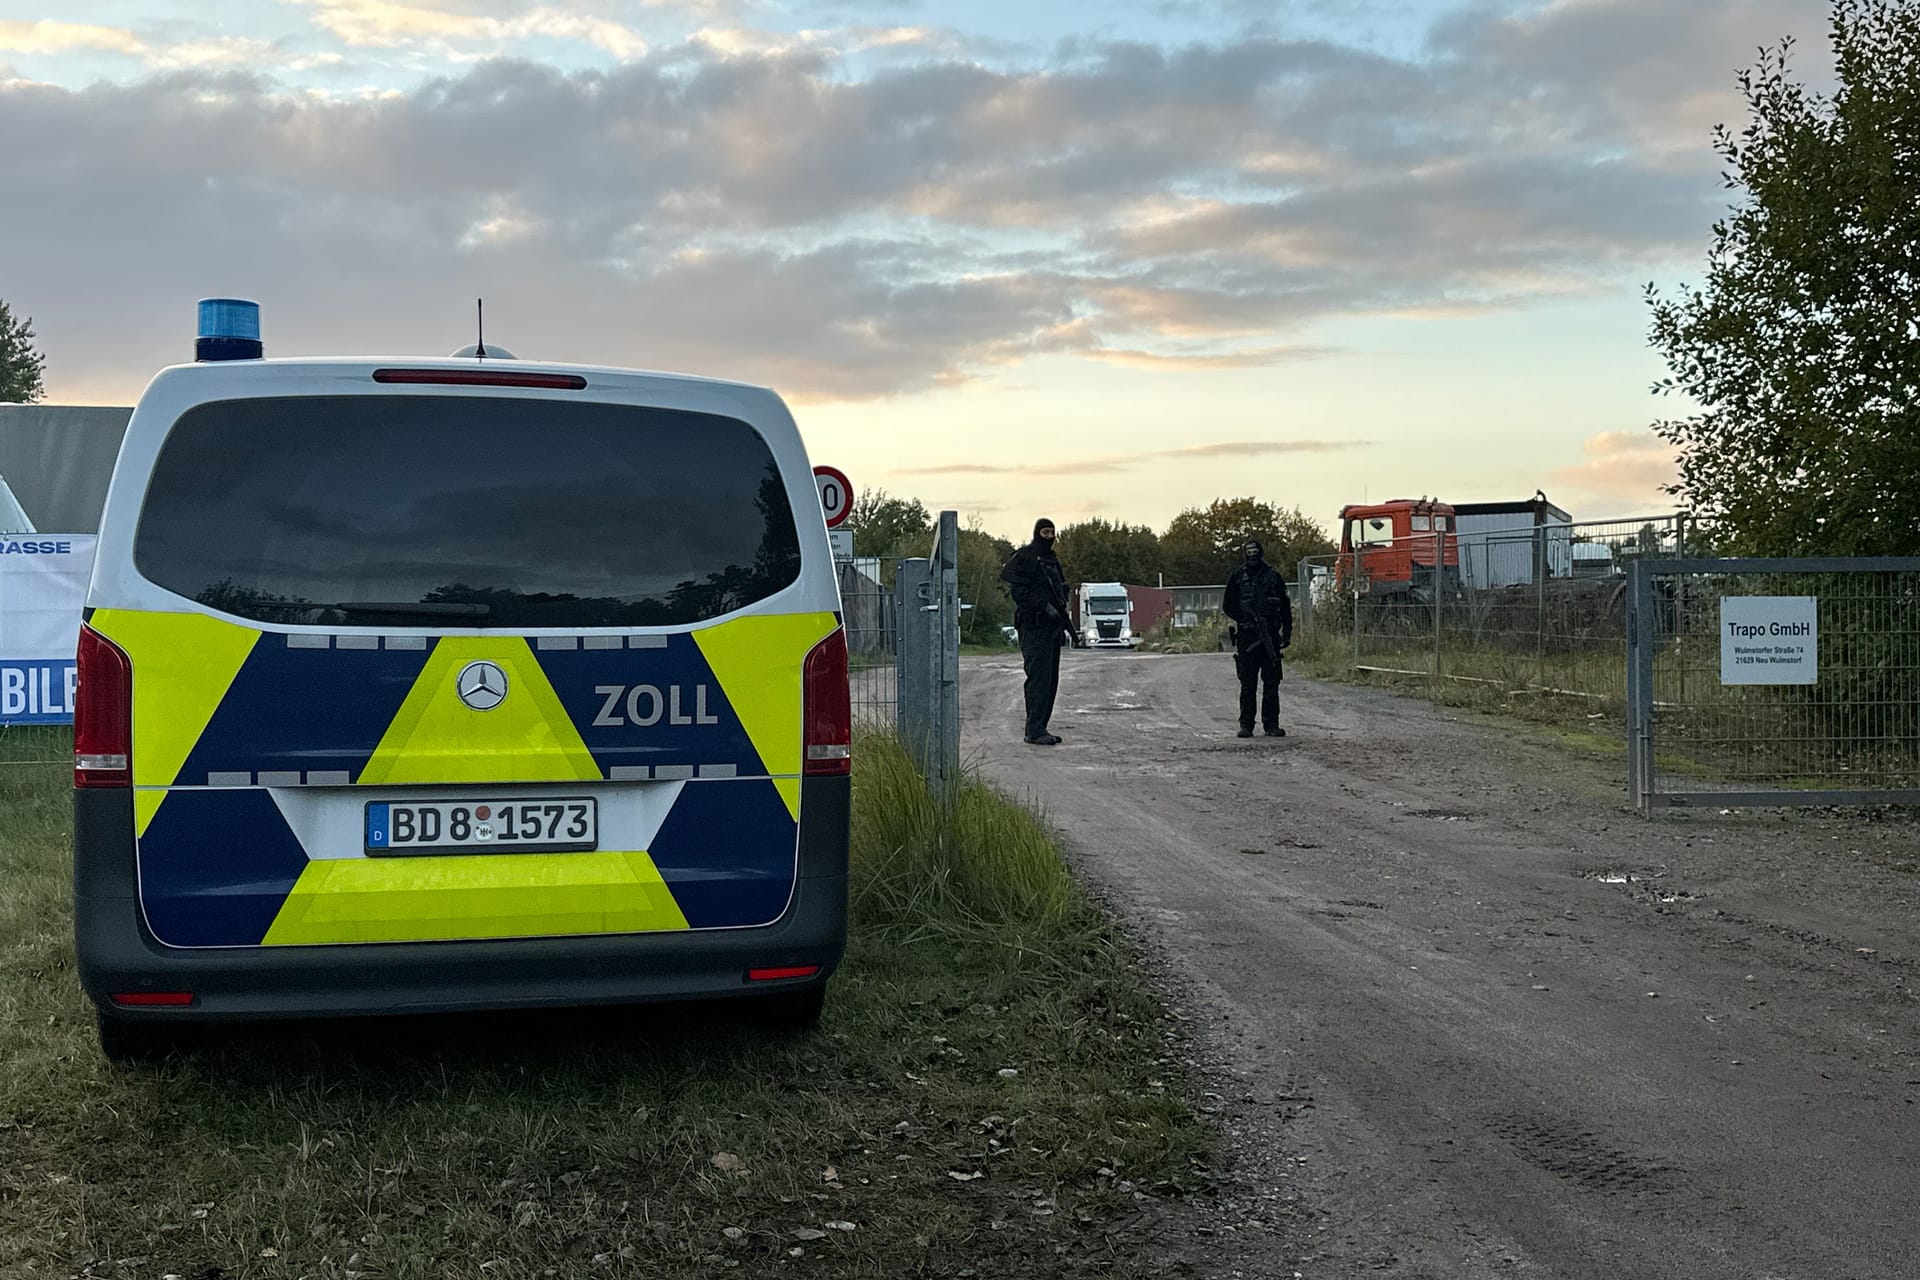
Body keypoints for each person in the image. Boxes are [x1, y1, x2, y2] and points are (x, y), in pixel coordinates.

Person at [1000, 518, 1070, 745]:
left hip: (1052, 628)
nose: (1049, 537)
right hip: (1034, 626)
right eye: (1045, 532)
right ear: (1036, 533)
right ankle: (1034, 730)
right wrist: (1043, 606)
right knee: (1038, 679)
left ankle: (1041, 727)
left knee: (1050, 680)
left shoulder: (1052, 560)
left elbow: (1060, 590)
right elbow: (1019, 593)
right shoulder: (1026, 558)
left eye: (1052, 532)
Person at [1222, 537, 1292, 738]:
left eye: (1255, 552)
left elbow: (1286, 608)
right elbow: (1228, 605)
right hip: (1246, 637)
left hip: (1270, 636)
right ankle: (1246, 725)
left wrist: (1286, 634)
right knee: (1248, 683)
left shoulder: (1273, 577)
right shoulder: (1237, 577)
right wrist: (1245, 618)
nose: (1252, 556)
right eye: (1249, 553)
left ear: (1260, 553)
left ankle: (1271, 725)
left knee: (1271, 683)